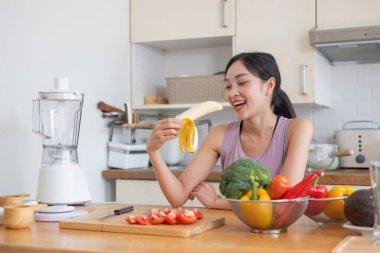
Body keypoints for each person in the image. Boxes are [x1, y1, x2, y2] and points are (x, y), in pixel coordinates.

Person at [146, 52, 313, 210]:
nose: (232, 93)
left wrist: (217, 202)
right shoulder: (219, 135)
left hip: (279, 234)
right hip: (232, 233)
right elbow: (178, 196)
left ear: (269, 86)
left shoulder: (297, 129)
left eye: (242, 83)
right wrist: (153, 151)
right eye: (228, 86)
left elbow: (285, 200)